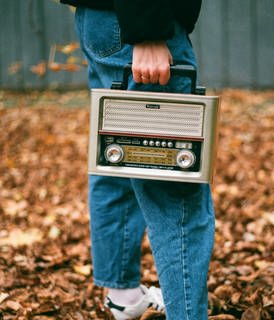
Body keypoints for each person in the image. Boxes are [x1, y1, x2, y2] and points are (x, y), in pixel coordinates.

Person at [60, 1, 215, 319]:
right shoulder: (146, 29)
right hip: (140, 24)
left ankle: (125, 298)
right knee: (175, 184)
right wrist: (148, 32)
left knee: (116, 158)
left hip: (101, 19)